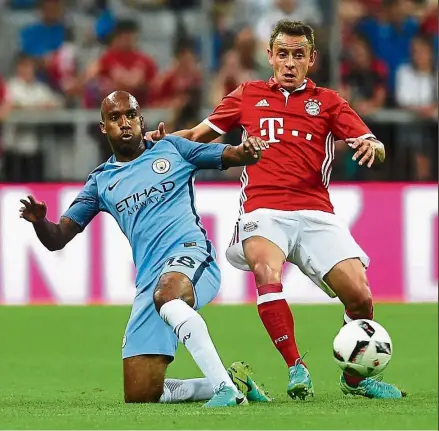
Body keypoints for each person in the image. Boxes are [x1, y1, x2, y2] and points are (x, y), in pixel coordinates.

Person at [148, 20, 406, 400]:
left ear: (311, 59)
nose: (289, 63)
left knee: (361, 297)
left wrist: (374, 148)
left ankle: (356, 380)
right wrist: (163, 141)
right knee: (267, 272)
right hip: (263, 209)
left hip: (317, 211)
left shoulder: (330, 102)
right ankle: (295, 366)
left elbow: (372, 141)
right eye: (282, 54)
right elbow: (198, 135)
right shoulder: (247, 95)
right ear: (269, 56)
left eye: (298, 55)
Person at [19, 90, 271, 407]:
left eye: (130, 115)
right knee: (141, 394)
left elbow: (229, 156)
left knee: (168, 293)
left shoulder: (172, 149)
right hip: (150, 282)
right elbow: (58, 238)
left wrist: (246, 151)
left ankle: (227, 392)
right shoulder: (101, 181)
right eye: (114, 118)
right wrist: (40, 222)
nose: (124, 123)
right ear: (103, 128)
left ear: (141, 120)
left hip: (192, 256)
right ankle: (232, 380)